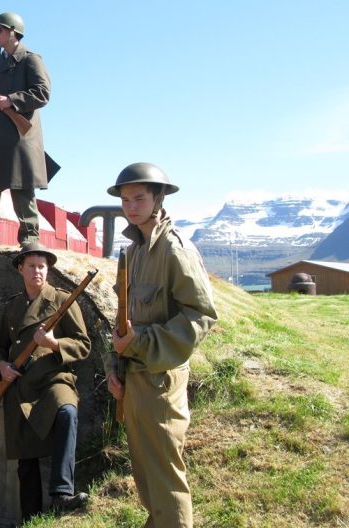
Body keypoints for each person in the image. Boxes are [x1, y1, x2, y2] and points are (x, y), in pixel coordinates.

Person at [104, 163, 218, 527]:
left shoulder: (174, 249)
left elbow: (201, 315)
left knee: (166, 481)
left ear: (158, 198)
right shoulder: (132, 252)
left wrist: (141, 341)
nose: (131, 207)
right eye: (125, 200)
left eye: (139, 198)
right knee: (147, 480)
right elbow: (124, 317)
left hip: (160, 383)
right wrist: (114, 366)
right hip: (134, 380)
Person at [0, 243, 90, 522]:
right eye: (31, 266)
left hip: (54, 379)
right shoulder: (11, 307)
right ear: (20, 269)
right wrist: (2, 366)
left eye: (42, 266)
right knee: (26, 460)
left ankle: (62, 493)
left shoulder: (62, 300)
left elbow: (83, 345)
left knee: (67, 412)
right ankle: (30, 519)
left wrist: (54, 344)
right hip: (21, 386)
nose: (37, 271)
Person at [0, 12, 52, 250]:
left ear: (13, 31)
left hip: (18, 134)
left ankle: (29, 239)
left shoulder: (31, 60)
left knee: (22, 185)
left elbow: (42, 93)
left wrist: (12, 100)